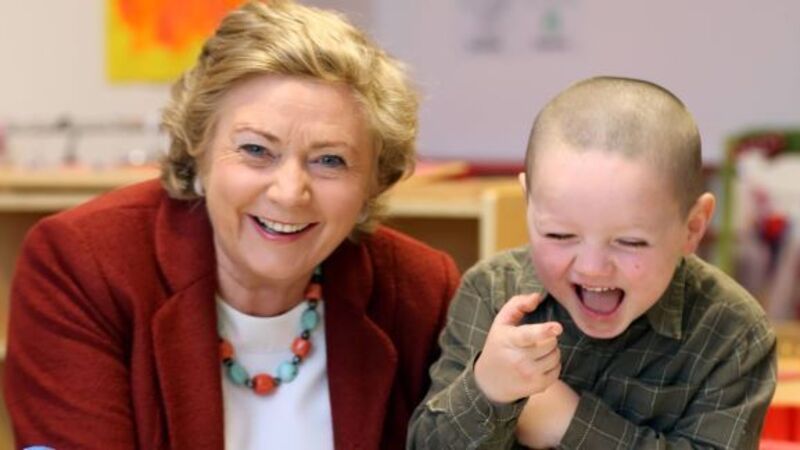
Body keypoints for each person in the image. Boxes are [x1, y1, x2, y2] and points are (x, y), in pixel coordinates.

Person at [3, 1, 460, 449]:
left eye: (329, 160)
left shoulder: (418, 291)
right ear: (198, 150)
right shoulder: (85, 265)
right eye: (256, 151)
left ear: (372, 183)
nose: (289, 192)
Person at [408, 76, 777, 449]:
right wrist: (488, 388)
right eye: (559, 235)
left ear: (693, 226)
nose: (592, 267)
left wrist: (569, 424)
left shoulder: (732, 330)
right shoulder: (492, 291)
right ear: (528, 204)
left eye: (630, 241)